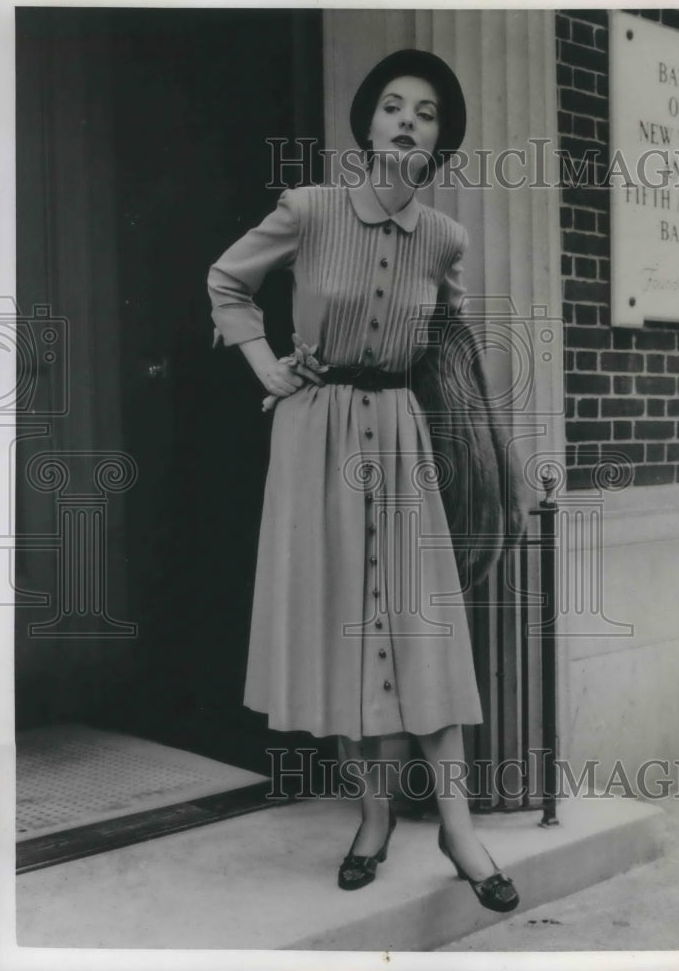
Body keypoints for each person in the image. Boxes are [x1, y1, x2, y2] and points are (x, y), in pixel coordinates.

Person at [208, 49, 525, 912]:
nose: (406, 121)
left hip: (400, 438)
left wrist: (478, 444)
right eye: (391, 105)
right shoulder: (307, 210)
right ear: (368, 124)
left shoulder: (444, 239)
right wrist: (268, 368)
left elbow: (449, 340)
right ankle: (373, 818)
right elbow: (228, 281)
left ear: (439, 141)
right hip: (316, 441)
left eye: (425, 113)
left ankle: (457, 827)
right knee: (350, 629)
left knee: (421, 625)